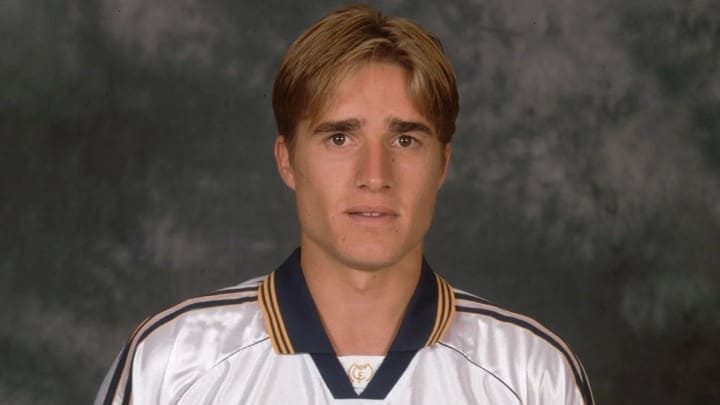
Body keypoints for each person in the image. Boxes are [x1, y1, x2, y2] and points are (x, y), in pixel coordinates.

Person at [95, 4, 594, 404]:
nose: (374, 176)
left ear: (442, 165)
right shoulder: (174, 363)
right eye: (339, 138)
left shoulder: (530, 374)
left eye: (405, 140)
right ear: (287, 161)